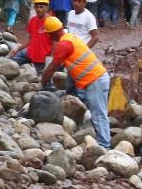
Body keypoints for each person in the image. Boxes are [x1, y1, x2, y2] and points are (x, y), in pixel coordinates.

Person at [38, 16, 111, 149]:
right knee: (97, 112)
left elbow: (53, 66)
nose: (48, 37)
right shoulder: (70, 37)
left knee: (99, 114)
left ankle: (104, 147)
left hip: (95, 80)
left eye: (48, 34)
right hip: (95, 79)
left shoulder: (64, 44)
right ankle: (102, 140)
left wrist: (41, 83)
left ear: (51, 33)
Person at [10, 0, 55, 89]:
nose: (39, 9)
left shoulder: (52, 21)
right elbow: (30, 38)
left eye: (41, 7)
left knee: (46, 84)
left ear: (47, 7)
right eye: (37, 7)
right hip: (29, 52)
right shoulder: (33, 20)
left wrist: (50, 59)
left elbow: (57, 41)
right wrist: (17, 49)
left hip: (42, 58)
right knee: (8, 61)